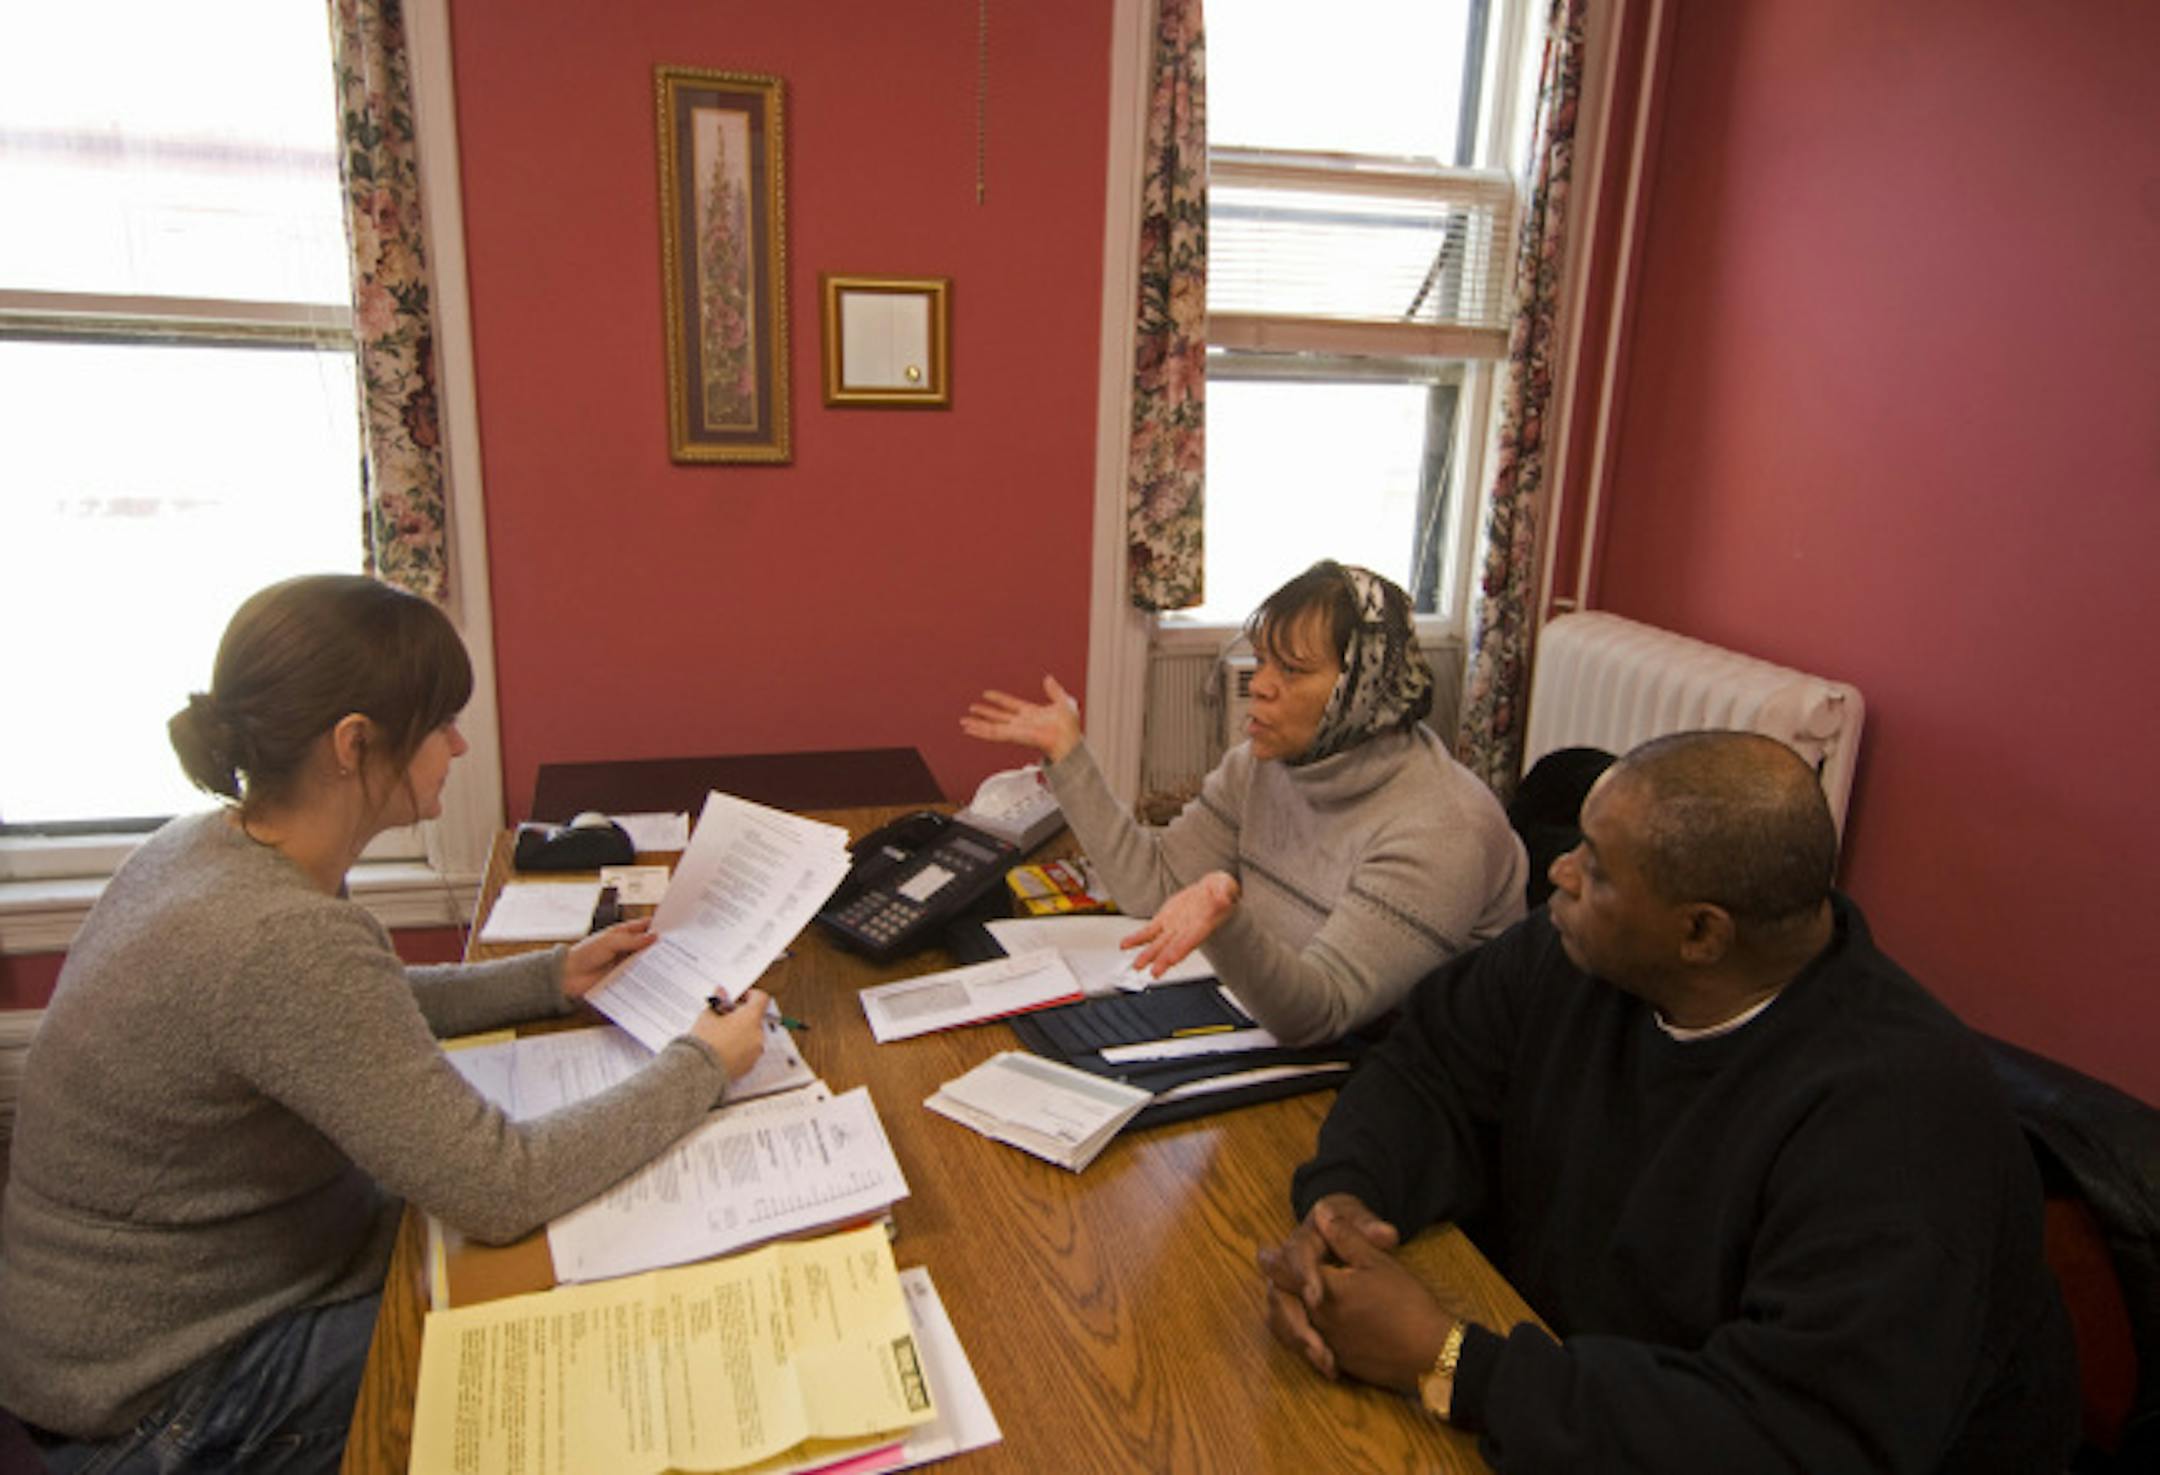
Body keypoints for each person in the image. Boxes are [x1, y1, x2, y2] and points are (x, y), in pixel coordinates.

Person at [0, 575, 772, 1474]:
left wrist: (550, 977)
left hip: (134, 1328)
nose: (457, 743)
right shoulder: (280, 937)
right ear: (354, 743)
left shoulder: (210, 845)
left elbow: (351, 1007)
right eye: (440, 722)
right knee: (583, 1329)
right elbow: (500, 1186)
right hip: (163, 1398)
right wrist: (702, 1065)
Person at [1259, 731, 2078, 1472]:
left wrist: (1451, 1361)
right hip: (1586, 1392)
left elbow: (1792, 1437)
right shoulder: (1575, 950)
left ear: (1701, 934)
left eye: (1599, 869)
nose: (1560, 872)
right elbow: (1428, 1063)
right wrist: (1344, 1201)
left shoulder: (1898, 1124)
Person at [962, 561, 1525, 1046]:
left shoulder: (1443, 828)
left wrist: (1225, 923)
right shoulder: (1263, 765)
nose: (1260, 685)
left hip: (1398, 1077)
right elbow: (1153, 888)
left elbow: (1322, 1012)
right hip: (1276, 1031)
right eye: (1262, 661)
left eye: (1294, 670)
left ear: (1365, 690)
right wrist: (1069, 755)